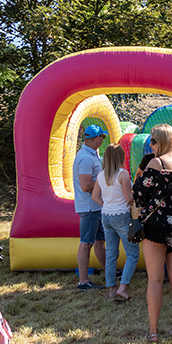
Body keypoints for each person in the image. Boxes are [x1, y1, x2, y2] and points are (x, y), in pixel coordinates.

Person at [133, 124, 172, 341]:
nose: (150, 145)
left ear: (160, 141)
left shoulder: (156, 163)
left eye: (152, 141)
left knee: (155, 279)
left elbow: (139, 196)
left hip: (156, 227)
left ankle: (153, 332)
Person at [91, 143, 139, 302]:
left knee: (111, 253)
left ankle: (111, 288)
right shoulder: (123, 175)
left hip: (106, 216)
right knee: (132, 253)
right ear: (120, 157)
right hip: (122, 215)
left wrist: (106, 204)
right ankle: (123, 287)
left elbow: (95, 196)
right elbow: (128, 198)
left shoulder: (101, 175)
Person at [73, 124, 107, 291]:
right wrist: (105, 182)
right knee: (86, 243)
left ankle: (109, 274)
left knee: (100, 241)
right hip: (89, 207)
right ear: (97, 138)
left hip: (95, 207)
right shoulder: (86, 158)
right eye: (103, 137)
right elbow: (86, 185)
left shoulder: (91, 154)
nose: (103, 140)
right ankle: (83, 281)